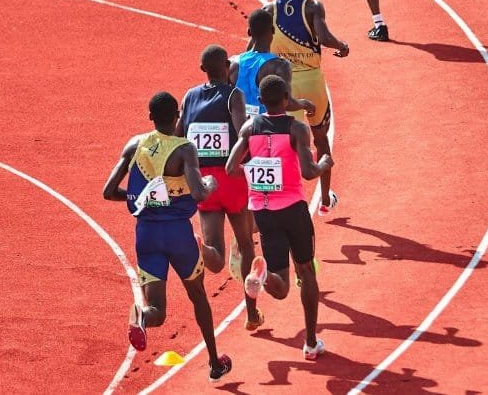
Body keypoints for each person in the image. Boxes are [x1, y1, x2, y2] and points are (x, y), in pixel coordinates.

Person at [102, 92, 233, 383]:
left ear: (150, 117)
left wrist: (143, 202)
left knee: (157, 312)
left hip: (146, 234)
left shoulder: (134, 145)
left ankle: (142, 318)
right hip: (177, 234)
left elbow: (109, 191)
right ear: (178, 117)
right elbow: (199, 193)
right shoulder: (184, 148)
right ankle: (214, 362)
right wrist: (209, 184)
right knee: (198, 295)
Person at [225, 75, 334, 360]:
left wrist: (253, 170)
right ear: (287, 98)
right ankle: (310, 344)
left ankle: (262, 277)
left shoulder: (250, 128)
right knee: (306, 272)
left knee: (282, 286)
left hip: (263, 212)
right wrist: (324, 162)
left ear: (260, 101)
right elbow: (309, 172)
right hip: (293, 209)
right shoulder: (296, 129)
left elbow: (230, 167)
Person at [179, 45, 263, 331]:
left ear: (203, 69)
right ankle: (251, 313)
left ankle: (200, 247)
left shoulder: (190, 96)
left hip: (203, 181)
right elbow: (242, 133)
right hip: (232, 177)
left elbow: (179, 135)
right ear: (227, 66)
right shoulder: (233, 95)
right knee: (245, 242)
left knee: (214, 256)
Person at [264, 0, 348, 215]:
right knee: (320, 138)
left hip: (285, 84)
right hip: (313, 81)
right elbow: (323, 37)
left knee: (287, 143)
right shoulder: (312, 6)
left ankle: (288, 199)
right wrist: (341, 44)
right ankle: (324, 199)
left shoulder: (268, 10)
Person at [232, 8, 315, 121]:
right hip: (264, 129)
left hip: (237, 128)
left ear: (249, 32)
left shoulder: (233, 63)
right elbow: (288, 103)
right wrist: (305, 104)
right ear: (272, 30)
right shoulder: (279, 66)